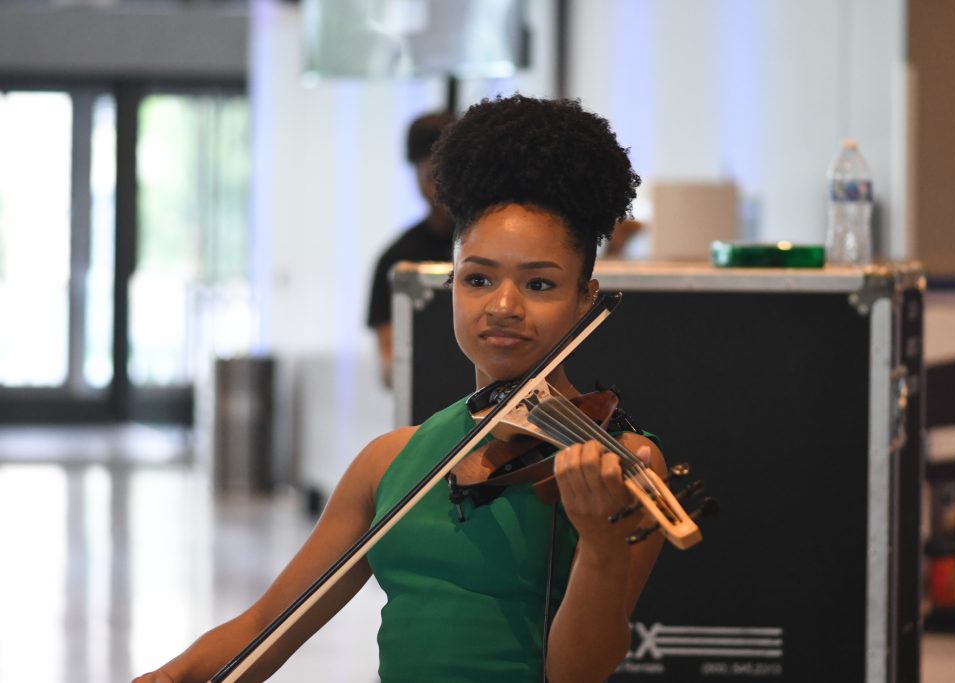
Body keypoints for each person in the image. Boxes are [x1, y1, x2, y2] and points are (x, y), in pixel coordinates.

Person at [133, 94, 665, 683]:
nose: (504, 306)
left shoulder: (624, 464)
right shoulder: (390, 461)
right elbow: (268, 624)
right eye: (479, 278)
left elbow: (577, 675)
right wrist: (170, 676)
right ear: (453, 285)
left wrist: (599, 545)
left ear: (585, 300)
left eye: (539, 284)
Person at [367, 110, 458, 388]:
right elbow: (389, 369)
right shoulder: (396, 259)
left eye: (448, 176)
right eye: (431, 177)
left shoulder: (496, 245)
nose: (439, 190)